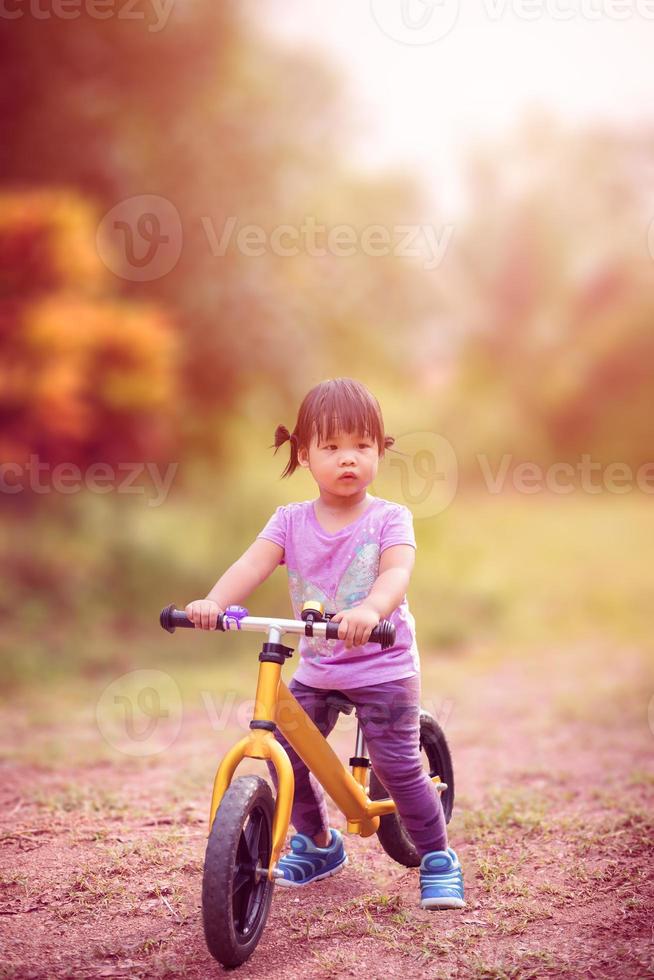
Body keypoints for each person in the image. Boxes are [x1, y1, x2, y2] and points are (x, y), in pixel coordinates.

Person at [185, 378, 465, 910]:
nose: (347, 459)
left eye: (361, 446)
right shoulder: (289, 521)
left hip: (382, 664)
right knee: (285, 752)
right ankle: (316, 844)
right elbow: (252, 564)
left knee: (399, 765)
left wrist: (369, 610)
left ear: (380, 450)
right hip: (319, 664)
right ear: (304, 453)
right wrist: (214, 602)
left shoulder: (389, 518)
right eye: (331, 447)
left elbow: (396, 571)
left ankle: (437, 856)